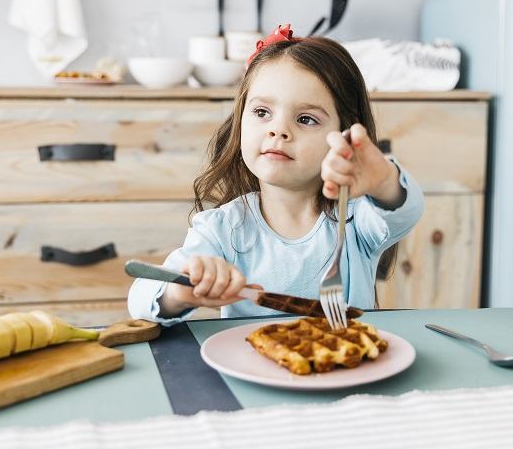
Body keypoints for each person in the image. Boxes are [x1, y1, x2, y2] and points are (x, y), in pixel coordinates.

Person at [128, 24, 424, 325]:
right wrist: (179, 294)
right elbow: (140, 299)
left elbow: (404, 211)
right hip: (250, 366)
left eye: (306, 119)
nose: (278, 129)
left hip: (348, 366)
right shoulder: (222, 230)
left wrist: (385, 181)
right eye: (261, 113)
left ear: (343, 134)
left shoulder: (357, 220)